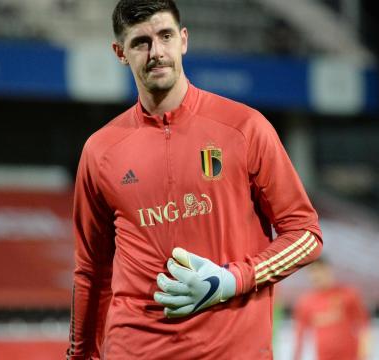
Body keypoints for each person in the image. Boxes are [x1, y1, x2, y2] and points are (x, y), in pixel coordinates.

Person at [66, 0, 323, 359]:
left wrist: (232, 280)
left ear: (183, 40)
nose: (156, 52)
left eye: (165, 36)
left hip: (231, 351)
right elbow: (91, 270)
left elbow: (306, 234)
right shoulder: (100, 151)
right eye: (141, 42)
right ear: (120, 53)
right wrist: (79, 355)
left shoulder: (245, 128)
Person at [293, 258, 370, 360]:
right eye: (312, 272)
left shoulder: (348, 294)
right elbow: (300, 336)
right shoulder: (305, 301)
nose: (316, 275)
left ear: (328, 270)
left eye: (319, 270)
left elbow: (364, 327)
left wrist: (363, 356)